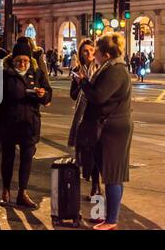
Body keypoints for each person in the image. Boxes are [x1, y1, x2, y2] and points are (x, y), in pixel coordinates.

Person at [74, 33, 133, 230]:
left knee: (112, 175)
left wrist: (83, 82)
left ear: (106, 54)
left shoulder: (116, 71)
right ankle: (108, 216)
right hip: (107, 127)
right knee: (108, 173)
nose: (94, 54)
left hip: (113, 130)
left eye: (97, 51)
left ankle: (111, 220)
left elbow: (99, 96)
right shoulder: (109, 68)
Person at [0, 42, 52, 208]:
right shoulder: (5, 75)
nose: (22, 64)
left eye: (25, 60)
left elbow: (48, 96)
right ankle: (6, 190)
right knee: (8, 158)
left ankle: (22, 192)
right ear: (13, 60)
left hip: (29, 123)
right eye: (19, 60)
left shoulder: (37, 73)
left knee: (27, 159)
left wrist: (43, 94)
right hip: (9, 122)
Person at [68, 39, 102, 201]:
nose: (88, 54)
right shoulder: (77, 69)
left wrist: (85, 82)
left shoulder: (100, 69)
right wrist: (78, 83)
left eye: (91, 50)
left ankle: (96, 186)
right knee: (85, 151)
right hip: (82, 116)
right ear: (80, 53)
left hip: (95, 115)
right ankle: (92, 183)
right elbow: (73, 95)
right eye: (85, 51)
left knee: (95, 150)